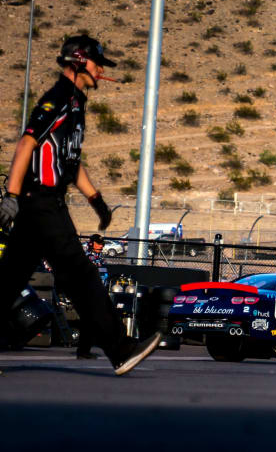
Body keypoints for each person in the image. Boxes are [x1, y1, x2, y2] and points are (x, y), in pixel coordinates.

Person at [0, 35, 161, 375]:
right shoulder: (58, 98)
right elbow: (26, 144)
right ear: (78, 61)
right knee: (81, 274)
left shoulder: (75, 103)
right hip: (41, 202)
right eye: (96, 62)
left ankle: (120, 349)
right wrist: (11, 196)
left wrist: (96, 200)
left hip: (42, 205)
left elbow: (71, 164)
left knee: (8, 280)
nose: (101, 69)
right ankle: (121, 349)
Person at [76, 234, 110, 359]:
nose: (100, 246)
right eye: (98, 243)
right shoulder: (87, 258)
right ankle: (83, 351)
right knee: (88, 323)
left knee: (92, 323)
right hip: (89, 294)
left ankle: (85, 349)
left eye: (102, 244)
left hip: (98, 294)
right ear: (91, 244)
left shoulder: (101, 259)